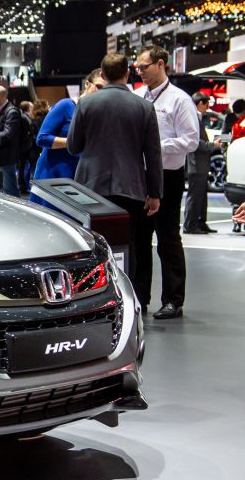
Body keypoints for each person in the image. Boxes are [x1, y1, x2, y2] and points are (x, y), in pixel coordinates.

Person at [67, 53, 163, 311]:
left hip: (90, 188)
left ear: (103, 75)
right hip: (131, 187)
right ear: (127, 74)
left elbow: (73, 145)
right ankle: (137, 300)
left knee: (90, 246)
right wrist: (155, 193)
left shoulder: (86, 104)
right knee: (135, 246)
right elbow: (153, 154)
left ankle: (91, 301)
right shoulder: (143, 106)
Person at [133, 45, 198, 319]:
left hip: (168, 177)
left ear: (160, 64)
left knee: (167, 238)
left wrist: (156, 146)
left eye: (143, 67)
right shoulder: (136, 97)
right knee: (139, 239)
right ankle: (139, 297)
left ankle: (173, 300)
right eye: (136, 68)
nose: (139, 71)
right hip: (138, 177)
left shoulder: (179, 100)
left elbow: (191, 140)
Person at [29, 70, 104, 206]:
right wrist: (72, 142)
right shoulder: (66, 105)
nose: (101, 92)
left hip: (79, 179)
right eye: (98, 86)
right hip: (53, 174)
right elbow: (42, 138)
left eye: (105, 89)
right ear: (87, 84)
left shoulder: (98, 114)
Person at [183, 92, 217, 234]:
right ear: (200, 104)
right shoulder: (193, 119)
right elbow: (194, 143)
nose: (208, 107)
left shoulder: (198, 118)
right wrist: (212, 145)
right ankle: (190, 225)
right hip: (196, 164)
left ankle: (201, 223)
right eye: (206, 103)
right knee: (195, 197)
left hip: (200, 164)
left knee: (202, 197)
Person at [0, 86, 22, 196]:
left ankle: (18, 211)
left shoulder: (11, 112)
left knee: (10, 190)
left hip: (5, 158)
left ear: (3, 97)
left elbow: (8, 135)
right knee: (1, 190)